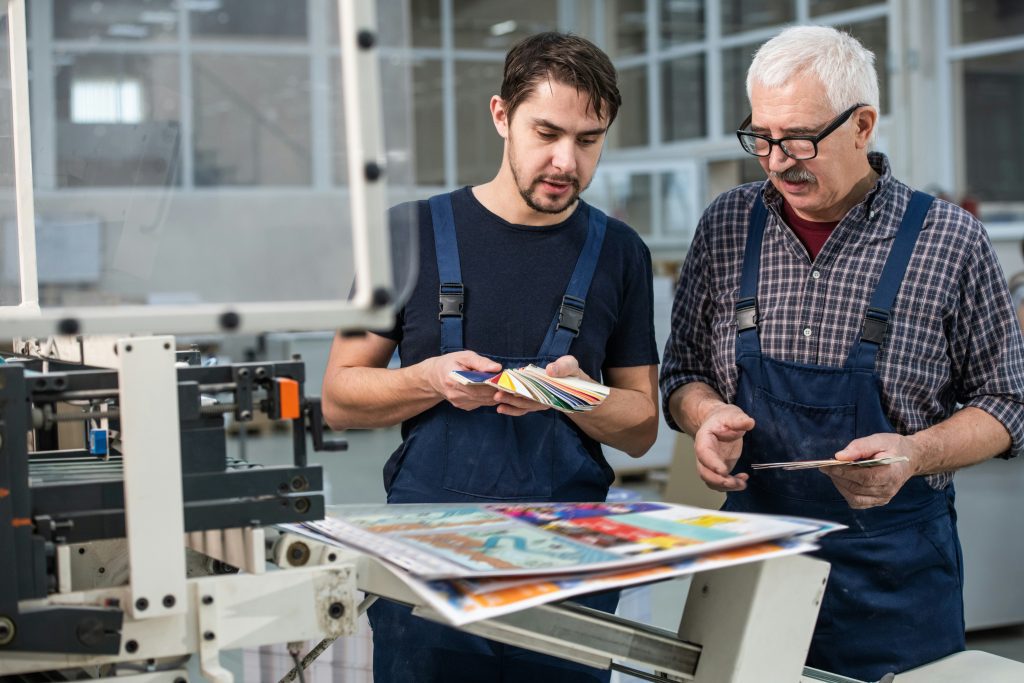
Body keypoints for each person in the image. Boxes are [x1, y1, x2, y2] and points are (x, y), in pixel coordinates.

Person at [659, 25, 1024, 681]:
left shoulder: (951, 240)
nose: (775, 160)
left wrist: (915, 452)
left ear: (862, 125)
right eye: (761, 137)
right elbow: (683, 373)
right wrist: (704, 416)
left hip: (896, 585)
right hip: (750, 565)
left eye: (799, 138)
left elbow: (1009, 402)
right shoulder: (726, 225)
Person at [322, 32, 660, 683]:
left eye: (589, 140)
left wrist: (571, 394)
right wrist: (428, 378)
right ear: (501, 116)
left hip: (566, 568)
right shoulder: (409, 233)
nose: (566, 160)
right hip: (430, 560)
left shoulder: (620, 252)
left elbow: (642, 426)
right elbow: (338, 396)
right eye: (547, 132)